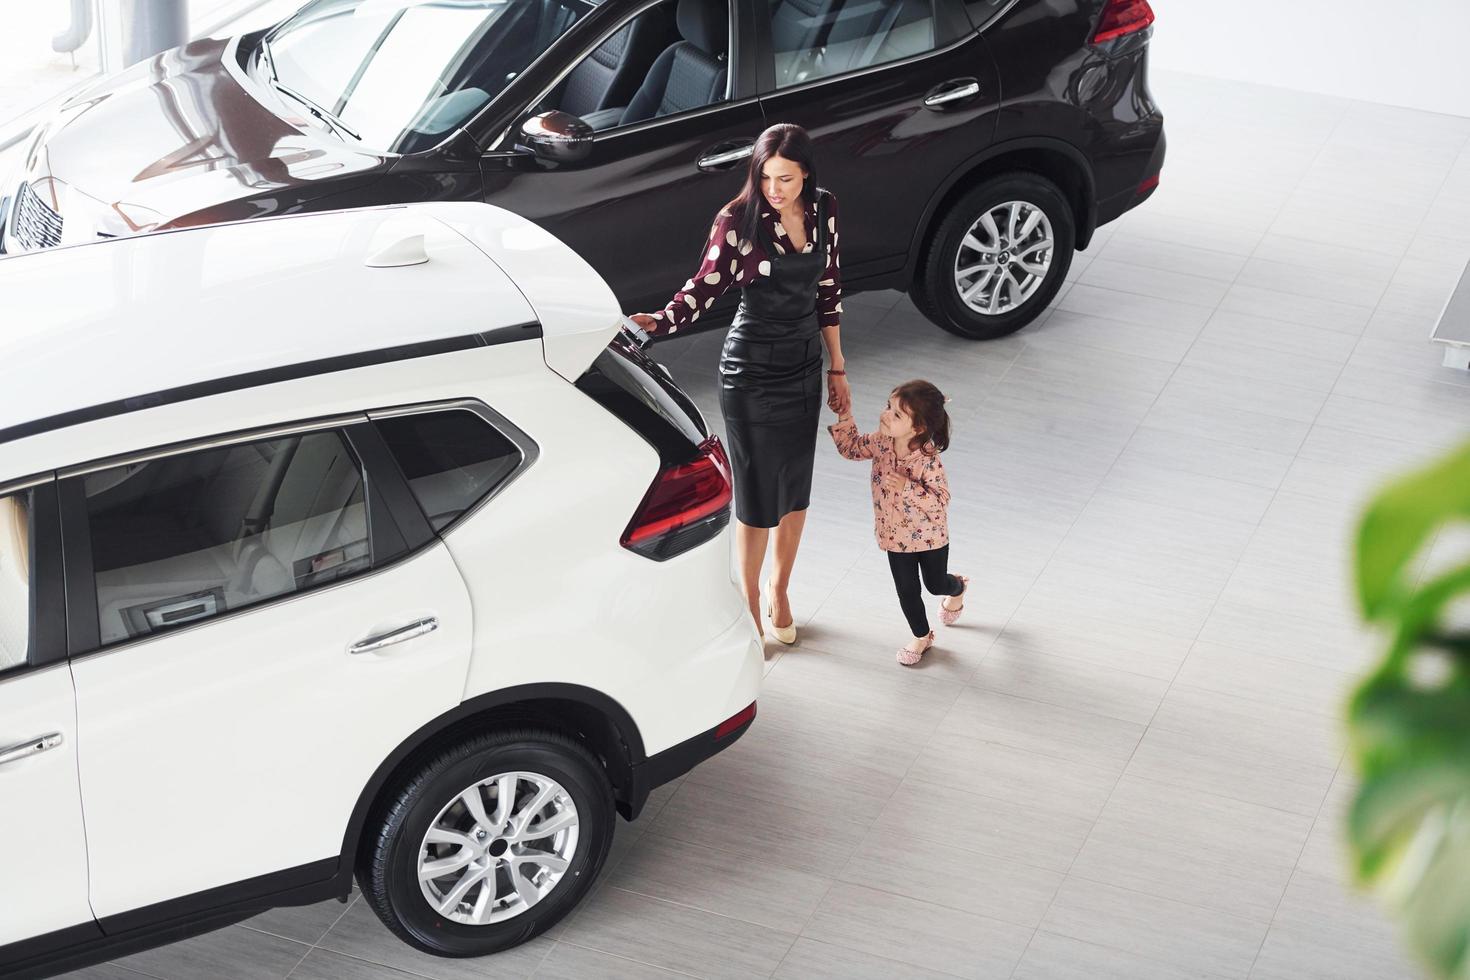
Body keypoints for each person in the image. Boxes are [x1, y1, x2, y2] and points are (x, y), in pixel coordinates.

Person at [630, 124, 850, 646]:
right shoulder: (737, 220)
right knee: (756, 494)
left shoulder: (826, 209)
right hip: (749, 370)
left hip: (803, 365)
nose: (775, 189)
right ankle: (748, 600)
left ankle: (781, 589)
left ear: (807, 175)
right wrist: (659, 322)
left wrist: (837, 367)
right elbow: (704, 287)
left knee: (796, 489)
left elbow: (830, 288)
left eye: (787, 179)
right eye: (767, 177)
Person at [828, 380, 968, 666]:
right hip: (895, 537)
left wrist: (907, 487)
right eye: (887, 407)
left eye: (896, 415)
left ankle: (958, 589)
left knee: (934, 584)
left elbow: (941, 500)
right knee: (906, 589)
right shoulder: (881, 443)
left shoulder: (927, 459)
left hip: (931, 537)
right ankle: (921, 635)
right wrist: (845, 415)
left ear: (916, 428)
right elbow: (851, 448)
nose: (885, 415)